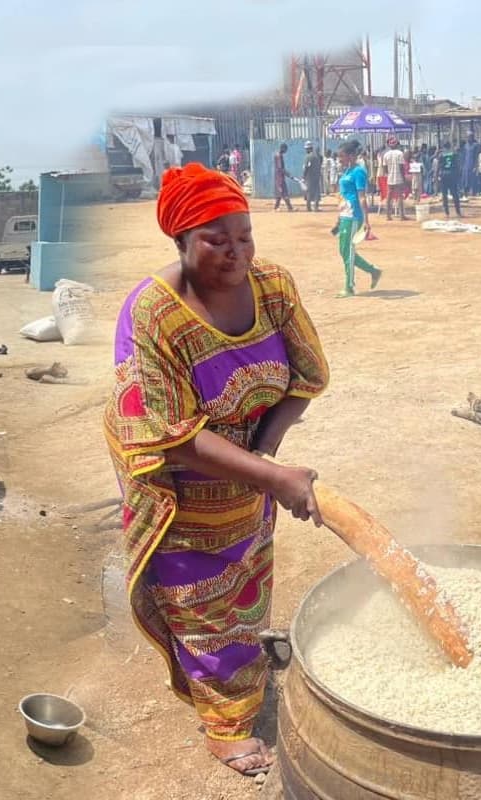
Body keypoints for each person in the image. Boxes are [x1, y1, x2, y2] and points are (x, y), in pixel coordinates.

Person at [103, 161, 328, 780]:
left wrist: (265, 461)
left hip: (247, 459)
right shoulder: (154, 314)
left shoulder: (273, 287)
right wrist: (269, 476)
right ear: (180, 241)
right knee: (199, 592)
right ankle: (225, 723)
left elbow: (306, 378)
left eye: (245, 235)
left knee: (248, 567)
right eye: (216, 239)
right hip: (175, 476)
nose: (236, 252)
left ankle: (244, 655)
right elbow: (172, 436)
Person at [336, 140, 384, 297]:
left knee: (348, 250)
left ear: (351, 156)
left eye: (341, 156)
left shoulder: (358, 172)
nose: (339, 160)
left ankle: (349, 287)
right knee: (344, 251)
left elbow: (362, 197)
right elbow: (344, 195)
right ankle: (373, 270)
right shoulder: (347, 171)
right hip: (345, 215)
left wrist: (366, 221)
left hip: (353, 216)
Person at [382, 137, 407, 220]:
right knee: (400, 196)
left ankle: (388, 216)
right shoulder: (400, 153)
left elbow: (384, 168)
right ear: (397, 144)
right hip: (398, 177)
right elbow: (401, 167)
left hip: (390, 178)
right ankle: (401, 216)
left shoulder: (386, 155)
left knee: (389, 197)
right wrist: (404, 178)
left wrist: (389, 174)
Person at [436, 140, 462, 217]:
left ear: (444, 147)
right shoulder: (454, 153)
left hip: (444, 175)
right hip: (452, 175)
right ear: (450, 146)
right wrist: (458, 175)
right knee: (455, 194)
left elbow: (438, 167)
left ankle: (447, 213)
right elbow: (458, 165)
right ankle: (458, 212)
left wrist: (437, 176)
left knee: (444, 194)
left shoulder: (441, 155)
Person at [272, 143, 293, 211]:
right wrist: (288, 174)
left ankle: (276, 207)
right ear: (283, 148)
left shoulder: (278, 155)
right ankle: (290, 208)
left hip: (279, 176)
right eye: (286, 149)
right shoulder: (279, 156)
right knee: (284, 192)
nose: (286, 151)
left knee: (280, 192)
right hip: (280, 177)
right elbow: (280, 168)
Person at [302, 142, 323, 211]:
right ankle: (316, 207)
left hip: (310, 177)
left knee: (309, 192)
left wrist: (303, 176)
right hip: (316, 176)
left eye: (306, 149)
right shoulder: (317, 156)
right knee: (317, 191)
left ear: (308, 149)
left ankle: (308, 207)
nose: (306, 150)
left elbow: (306, 167)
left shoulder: (308, 157)